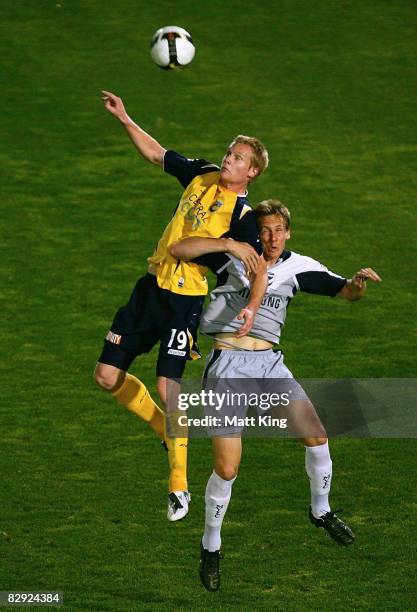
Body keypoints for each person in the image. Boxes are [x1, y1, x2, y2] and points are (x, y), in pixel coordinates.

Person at [169, 199, 381, 591]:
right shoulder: (235, 258)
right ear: (256, 232)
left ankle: (321, 511)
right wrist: (227, 245)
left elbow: (346, 293)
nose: (272, 238)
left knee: (317, 436)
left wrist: (357, 283)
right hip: (228, 366)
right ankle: (210, 546)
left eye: (279, 230)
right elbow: (178, 250)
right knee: (227, 468)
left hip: (269, 366)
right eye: (265, 230)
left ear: (288, 233)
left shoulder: (299, 267)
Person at [93, 91, 269, 521]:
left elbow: (260, 267)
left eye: (238, 157)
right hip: (149, 288)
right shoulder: (203, 174)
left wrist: (252, 305)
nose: (228, 159)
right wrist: (126, 118)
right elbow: (158, 155)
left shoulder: (243, 219)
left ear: (253, 171)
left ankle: (179, 487)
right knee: (105, 376)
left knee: (168, 385)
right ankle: (161, 428)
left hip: (184, 298)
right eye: (230, 151)